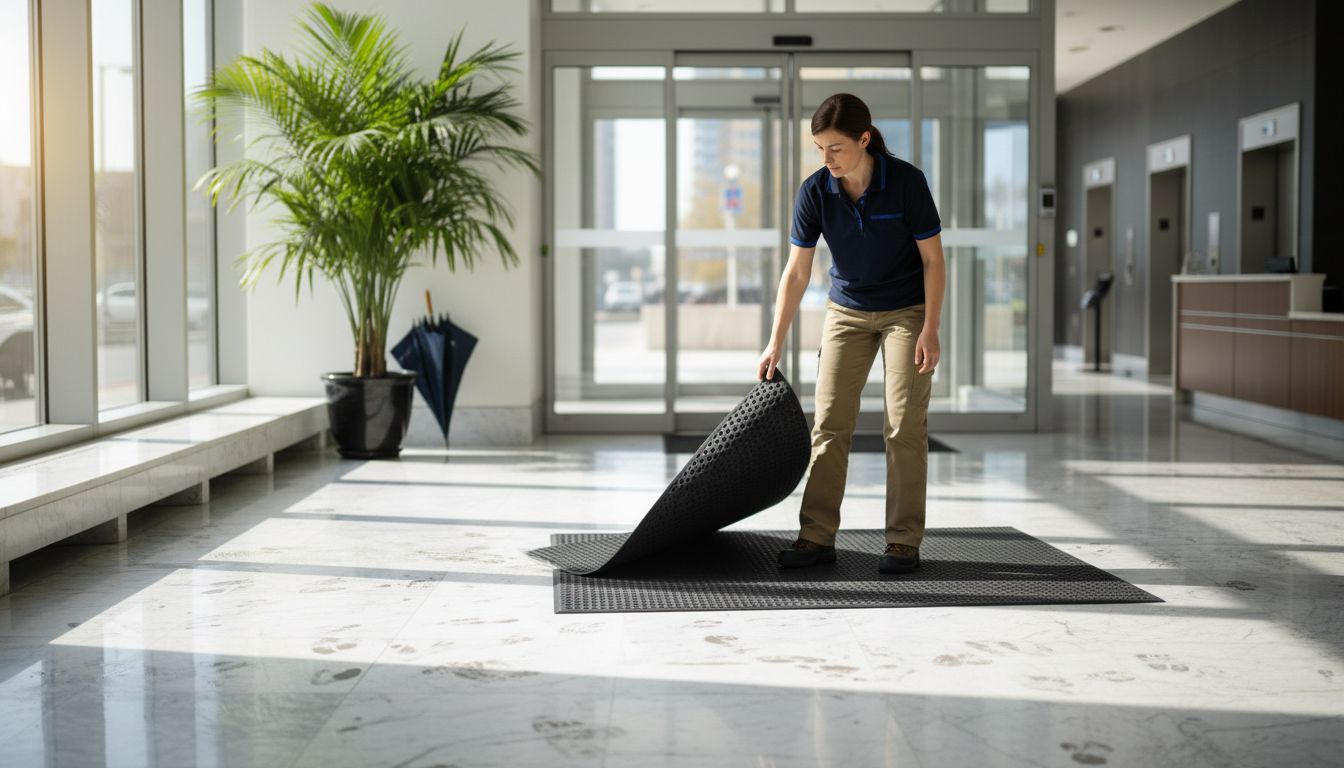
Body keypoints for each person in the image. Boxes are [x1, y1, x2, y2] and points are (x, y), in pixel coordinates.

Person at [757, 92, 945, 575]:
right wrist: (775, 339)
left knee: (904, 425)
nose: (827, 159)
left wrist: (931, 328)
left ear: (864, 139)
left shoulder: (906, 182)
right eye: (819, 148)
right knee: (829, 424)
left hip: (906, 312)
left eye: (835, 148)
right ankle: (816, 537)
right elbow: (797, 272)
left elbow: (933, 260)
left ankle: (903, 541)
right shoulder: (815, 191)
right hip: (846, 312)